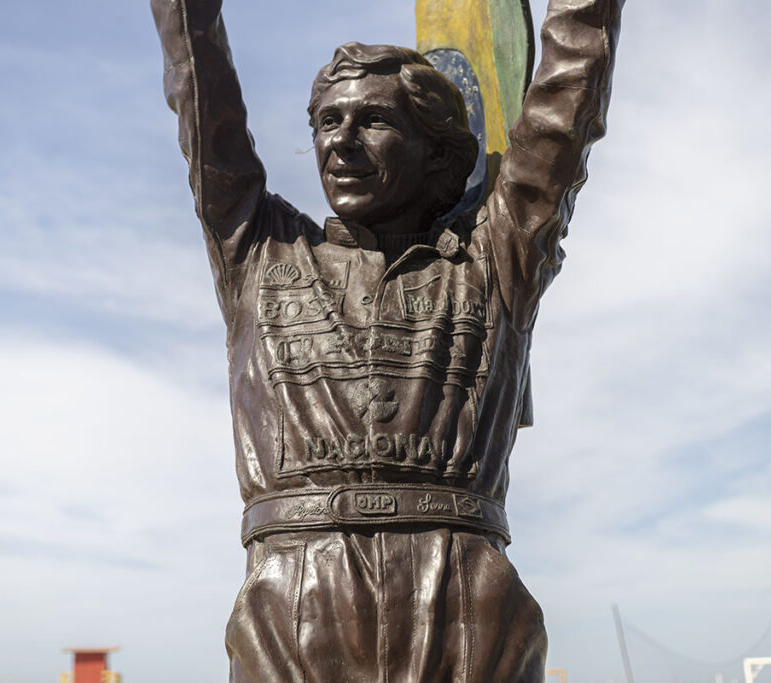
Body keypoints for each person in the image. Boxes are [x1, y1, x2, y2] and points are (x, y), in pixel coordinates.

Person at [151, 0, 622, 680]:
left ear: (434, 148)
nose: (339, 141)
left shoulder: (495, 262)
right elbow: (201, 91)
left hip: (463, 593)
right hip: (295, 600)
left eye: (372, 119)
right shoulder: (260, 249)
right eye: (326, 121)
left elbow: (565, 107)